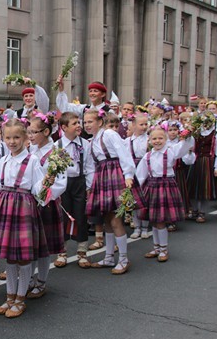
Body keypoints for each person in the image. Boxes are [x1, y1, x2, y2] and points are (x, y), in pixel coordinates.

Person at [0, 118, 63, 317]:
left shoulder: (32, 161)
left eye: (16, 137)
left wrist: (46, 183)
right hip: (4, 208)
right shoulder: (2, 160)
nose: (12, 141)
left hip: (24, 209)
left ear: (26, 138)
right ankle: (9, 296)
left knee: (23, 257)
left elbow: (37, 190)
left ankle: (20, 298)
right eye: (8, 137)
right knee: (10, 257)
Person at [83, 109, 139, 275]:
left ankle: (123, 259)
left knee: (115, 220)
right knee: (107, 219)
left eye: (90, 121)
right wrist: (90, 186)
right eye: (85, 122)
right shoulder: (91, 142)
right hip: (102, 178)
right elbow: (90, 166)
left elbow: (123, 153)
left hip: (115, 175)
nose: (86, 125)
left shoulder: (109, 134)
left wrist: (128, 175)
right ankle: (108, 257)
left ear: (100, 122)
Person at [136, 128, 194, 263]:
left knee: (161, 221)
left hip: (166, 186)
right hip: (152, 187)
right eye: (154, 139)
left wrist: (188, 135)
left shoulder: (171, 151)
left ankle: (163, 249)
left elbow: (185, 145)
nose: (157, 141)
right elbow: (140, 175)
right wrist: (134, 190)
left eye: (160, 138)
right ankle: (156, 248)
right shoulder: (147, 156)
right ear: (149, 141)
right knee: (154, 220)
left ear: (166, 139)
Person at [27, 112, 64, 297]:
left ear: (47, 131)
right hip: (31, 202)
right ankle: (29, 278)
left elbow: (60, 182)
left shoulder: (55, 153)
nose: (31, 136)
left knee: (44, 246)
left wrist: (43, 196)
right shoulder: (31, 151)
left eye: (35, 132)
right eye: (29, 132)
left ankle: (41, 281)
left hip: (45, 203)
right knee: (32, 245)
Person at [55, 112, 94, 268]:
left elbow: (90, 166)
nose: (79, 126)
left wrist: (89, 186)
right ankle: (62, 252)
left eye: (79, 122)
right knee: (63, 217)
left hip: (80, 182)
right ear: (64, 127)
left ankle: (82, 252)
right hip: (63, 183)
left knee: (81, 216)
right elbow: (53, 168)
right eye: (74, 123)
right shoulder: (57, 145)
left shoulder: (85, 144)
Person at [186, 111, 217, 223]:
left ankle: (202, 212)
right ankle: (194, 210)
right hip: (195, 161)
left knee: (204, 189)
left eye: (208, 121)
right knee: (192, 187)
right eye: (204, 121)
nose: (206, 124)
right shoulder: (196, 133)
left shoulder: (215, 134)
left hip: (207, 162)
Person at [127, 114, 150, 240]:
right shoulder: (128, 141)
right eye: (141, 124)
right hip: (133, 171)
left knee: (145, 201)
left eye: (146, 124)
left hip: (147, 171)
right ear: (134, 125)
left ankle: (145, 227)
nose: (144, 127)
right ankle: (136, 227)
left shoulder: (149, 140)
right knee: (134, 201)